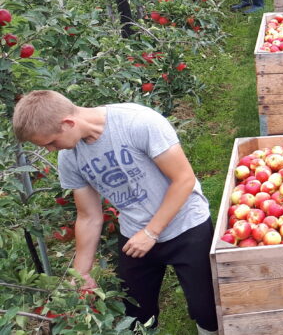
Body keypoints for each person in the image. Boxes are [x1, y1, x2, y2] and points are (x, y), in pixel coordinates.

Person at [12, 91, 218, 335]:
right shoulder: (69, 158)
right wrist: (81, 274)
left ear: (68, 123)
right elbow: (89, 215)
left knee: (207, 308)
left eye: (50, 143)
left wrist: (151, 232)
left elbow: (183, 179)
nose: (49, 150)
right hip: (134, 234)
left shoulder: (137, 122)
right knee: (134, 315)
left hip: (186, 225)